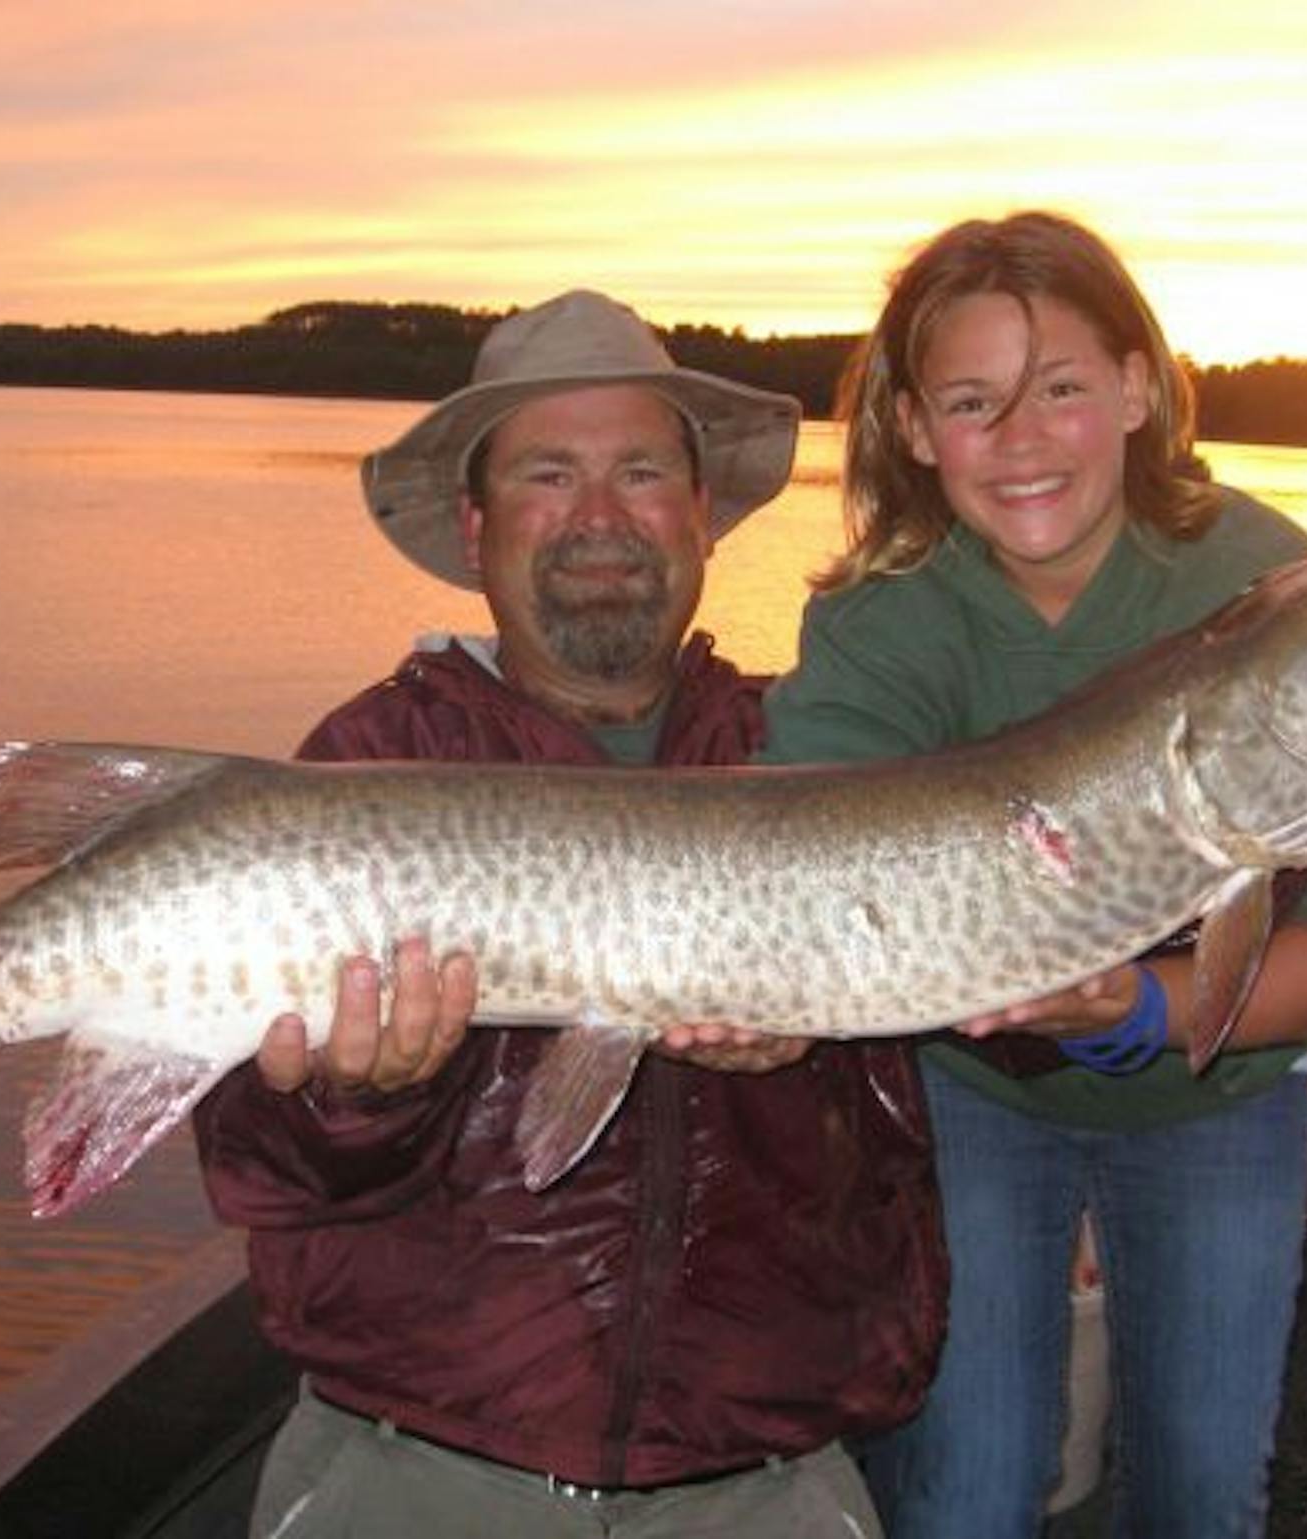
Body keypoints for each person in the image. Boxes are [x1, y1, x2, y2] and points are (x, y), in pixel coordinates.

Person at [191, 289, 947, 1539]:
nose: (600, 517)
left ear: (701, 516)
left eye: (642, 472)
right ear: (479, 525)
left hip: (762, 1486)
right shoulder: (369, 760)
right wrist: (361, 1095)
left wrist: (829, 1041)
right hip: (415, 1471)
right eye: (550, 475)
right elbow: (252, 1165)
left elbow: (1004, 1019)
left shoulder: (818, 748)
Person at [758, 212, 1307, 1538]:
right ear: (909, 424)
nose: (1020, 436)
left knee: (1199, 1485)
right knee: (965, 1490)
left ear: (1136, 389)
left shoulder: (1262, 582)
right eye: (972, 399)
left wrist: (1135, 1013)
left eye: (1061, 385)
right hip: (971, 1091)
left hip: (1219, 1091)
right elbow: (800, 853)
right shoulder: (881, 618)